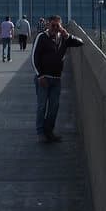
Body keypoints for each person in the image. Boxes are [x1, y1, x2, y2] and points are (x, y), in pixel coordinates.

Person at [31, 15, 83, 143]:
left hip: (56, 79)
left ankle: (49, 132)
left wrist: (66, 35)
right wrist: (40, 75)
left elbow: (80, 42)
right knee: (42, 106)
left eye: (57, 26)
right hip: (43, 78)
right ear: (48, 25)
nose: (54, 28)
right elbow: (34, 57)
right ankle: (40, 132)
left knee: (54, 107)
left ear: (61, 26)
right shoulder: (42, 37)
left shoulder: (64, 38)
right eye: (52, 25)